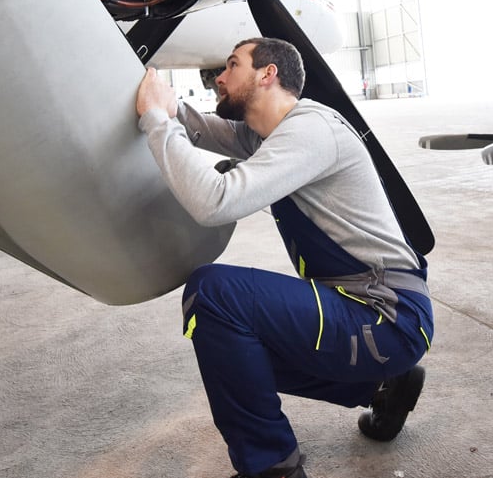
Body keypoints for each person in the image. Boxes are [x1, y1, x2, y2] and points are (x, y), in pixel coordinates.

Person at [135, 37, 433, 478]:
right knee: (232, 360)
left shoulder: (311, 129)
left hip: (385, 316)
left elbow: (216, 201)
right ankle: (384, 385)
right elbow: (200, 128)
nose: (219, 76)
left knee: (214, 293)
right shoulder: (265, 135)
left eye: (232, 65)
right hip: (365, 314)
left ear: (267, 74)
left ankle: (274, 467)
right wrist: (158, 100)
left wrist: (157, 121)